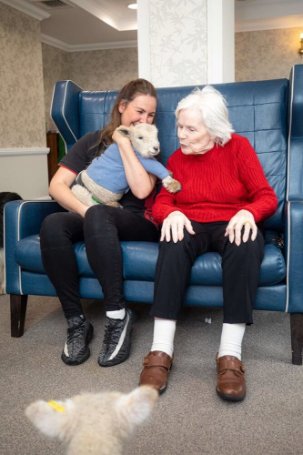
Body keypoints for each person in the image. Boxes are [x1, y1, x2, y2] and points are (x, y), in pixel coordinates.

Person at [139, 86, 278, 401]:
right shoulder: (177, 158)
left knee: (246, 241)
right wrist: (170, 214)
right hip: (192, 222)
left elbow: (266, 197)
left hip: (233, 221)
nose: (181, 135)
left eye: (190, 129)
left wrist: (248, 211)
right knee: (172, 241)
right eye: (179, 127)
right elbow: (162, 201)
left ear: (214, 131)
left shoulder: (238, 148)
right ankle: (160, 351)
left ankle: (229, 356)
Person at [40, 79, 159, 368]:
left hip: (136, 220)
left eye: (151, 115)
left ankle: (117, 314)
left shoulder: (149, 143)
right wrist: (87, 210)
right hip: (95, 214)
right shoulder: (92, 140)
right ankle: (76, 321)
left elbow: (143, 191)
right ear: (122, 107)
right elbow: (57, 186)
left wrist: (126, 143)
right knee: (53, 224)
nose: (144, 120)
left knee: (100, 214)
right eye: (139, 112)